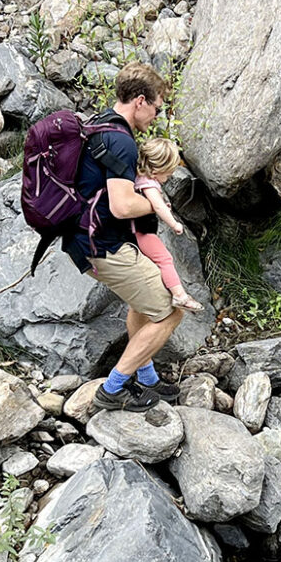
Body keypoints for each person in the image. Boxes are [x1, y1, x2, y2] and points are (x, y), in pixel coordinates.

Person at [62, 61, 185, 413]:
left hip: (86, 239)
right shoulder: (121, 142)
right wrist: (157, 203)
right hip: (104, 245)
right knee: (170, 311)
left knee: (141, 303)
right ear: (141, 101)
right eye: (157, 108)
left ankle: (147, 378)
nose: (156, 116)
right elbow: (122, 205)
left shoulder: (101, 122)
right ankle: (113, 388)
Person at [134, 138, 204, 313]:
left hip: (137, 230)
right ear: (156, 170)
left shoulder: (140, 178)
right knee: (164, 259)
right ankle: (179, 295)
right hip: (140, 232)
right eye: (167, 175)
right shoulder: (148, 184)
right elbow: (157, 206)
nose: (168, 178)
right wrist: (174, 224)